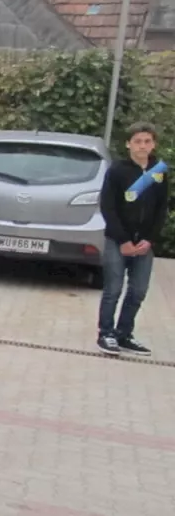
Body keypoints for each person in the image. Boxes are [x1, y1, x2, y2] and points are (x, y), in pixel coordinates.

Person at [97, 122, 168, 357]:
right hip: (118, 241)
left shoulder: (158, 170)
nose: (142, 146)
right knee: (113, 289)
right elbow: (108, 207)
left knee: (138, 291)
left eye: (147, 141)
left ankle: (123, 334)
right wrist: (123, 240)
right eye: (137, 141)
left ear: (153, 144)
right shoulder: (117, 170)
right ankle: (105, 333)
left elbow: (161, 208)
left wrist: (150, 239)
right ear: (128, 143)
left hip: (144, 244)